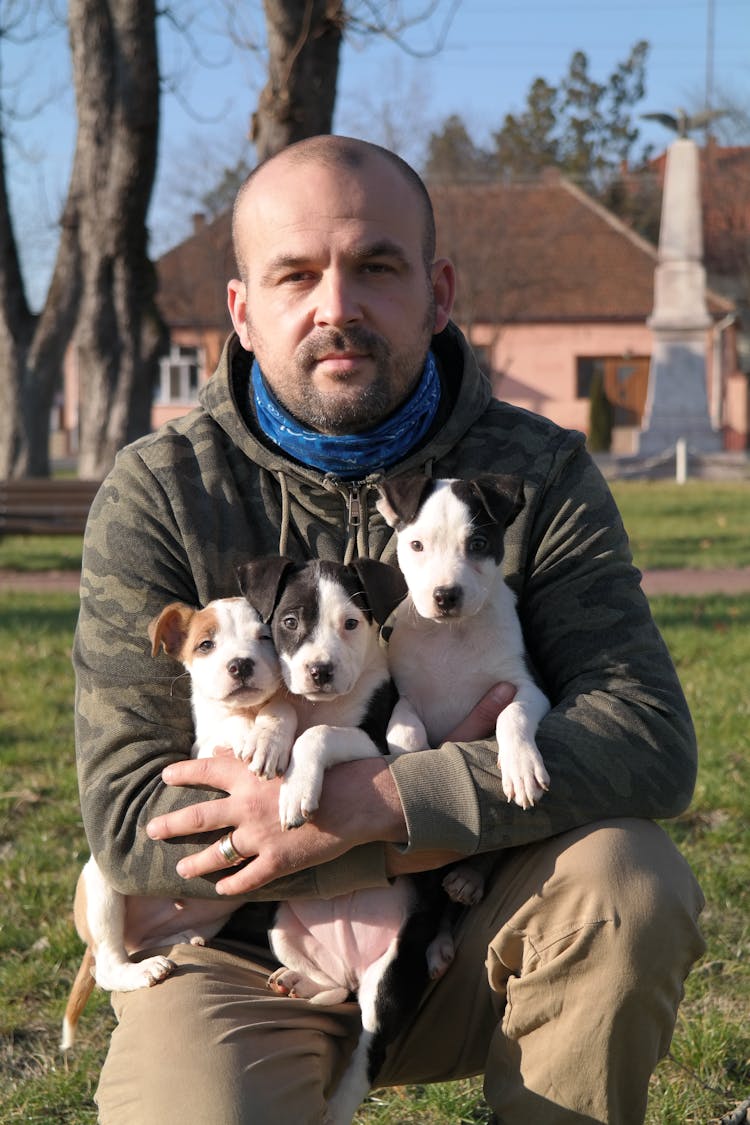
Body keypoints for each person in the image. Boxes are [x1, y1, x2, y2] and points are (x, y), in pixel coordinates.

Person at [73, 134, 705, 1125]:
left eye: (375, 266)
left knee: (629, 881)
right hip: (244, 961)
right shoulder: (163, 492)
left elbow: (650, 745)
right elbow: (127, 832)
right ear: (241, 312)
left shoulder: (533, 475)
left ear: (437, 291)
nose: (337, 307)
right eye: (295, 275)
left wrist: (385, 802)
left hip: (478, 923)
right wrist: (374, 831)